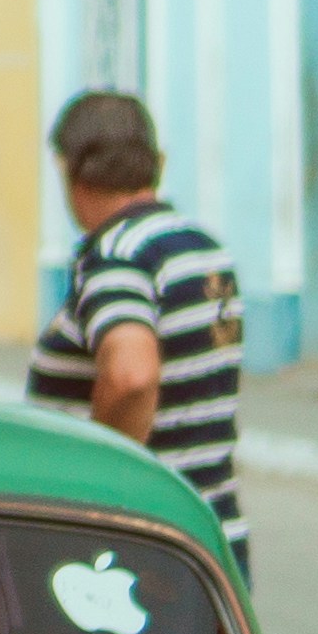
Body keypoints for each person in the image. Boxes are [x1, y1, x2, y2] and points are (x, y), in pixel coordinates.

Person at [25, 89, 251, 572]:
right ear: (155, 163)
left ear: (73, 173)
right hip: (211, 532)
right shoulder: (202, 249)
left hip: (140, 549)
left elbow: (131, 377)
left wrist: (102, 488)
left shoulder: (117, 255)